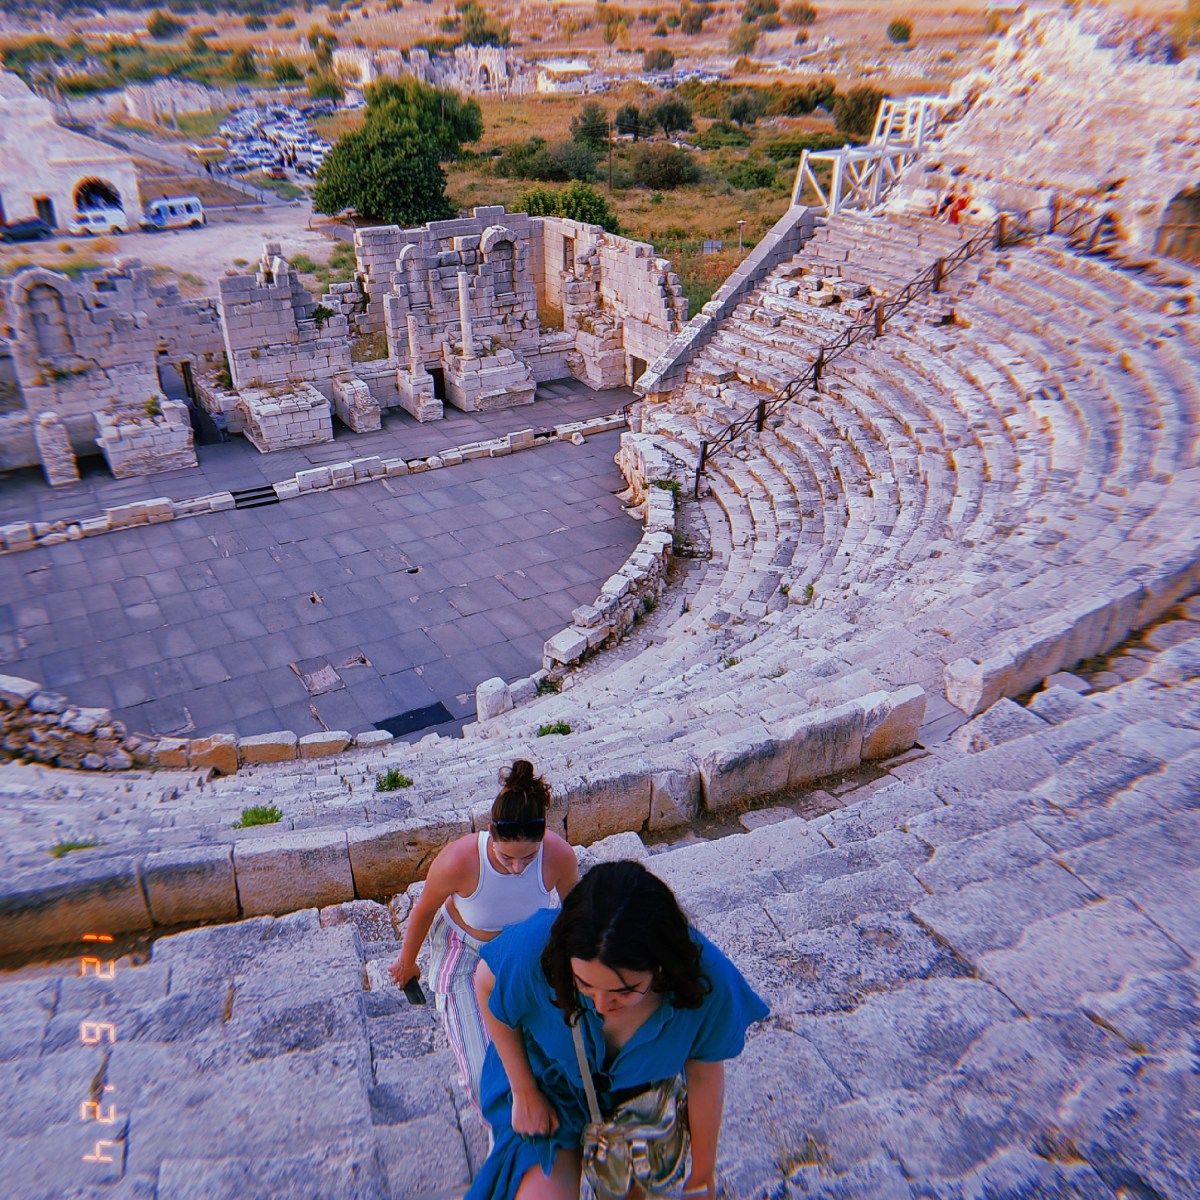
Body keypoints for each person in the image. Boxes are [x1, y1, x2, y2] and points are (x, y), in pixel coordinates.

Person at [468, 861, 769, 1200]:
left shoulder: (707, 981)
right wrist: (524, 1091)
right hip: (547, 1084)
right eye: (584, 984)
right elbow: (485, 982)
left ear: (661, 966)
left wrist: (701, 1177)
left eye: (623, 991)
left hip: (637, 1105)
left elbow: (704, 1076)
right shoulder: (536, 947)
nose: (599, 1005)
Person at [389, 759, 578, 1108]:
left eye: (528, 857)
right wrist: (407, 963)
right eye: (508, 857)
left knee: (553, 1063)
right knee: (483, 1076)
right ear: (491, 832)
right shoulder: (458, 860)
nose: (518, 867)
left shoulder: (559, 857)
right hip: (465, 953)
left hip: (525, 952)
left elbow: (576, 917)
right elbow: (425, 910)